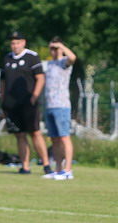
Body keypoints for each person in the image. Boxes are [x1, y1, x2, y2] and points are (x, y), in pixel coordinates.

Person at [0, 31, 52, 175]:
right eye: (13, 43)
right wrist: (3, 98)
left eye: (17, 43)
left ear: (23, 42)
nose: (15, 46)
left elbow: (40, 78)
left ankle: (46, 164)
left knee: (35, 132)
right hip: (12, 104)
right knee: (19, 134)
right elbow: (3, 81)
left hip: (28, 103)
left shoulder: (32, 57)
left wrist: (34, 97)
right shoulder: (7, 58)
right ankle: (25, 166)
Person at [42, 37, 77, 180]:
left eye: (56, 48)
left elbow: (73, 58)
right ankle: (58, 169)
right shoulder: (49, 64)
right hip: (50, 105)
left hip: (61, 105)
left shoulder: (64, 63)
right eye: (52, 48)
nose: (54, 51)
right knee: (54, 139)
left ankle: (68, 169)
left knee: (64, 137)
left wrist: (61, 46)